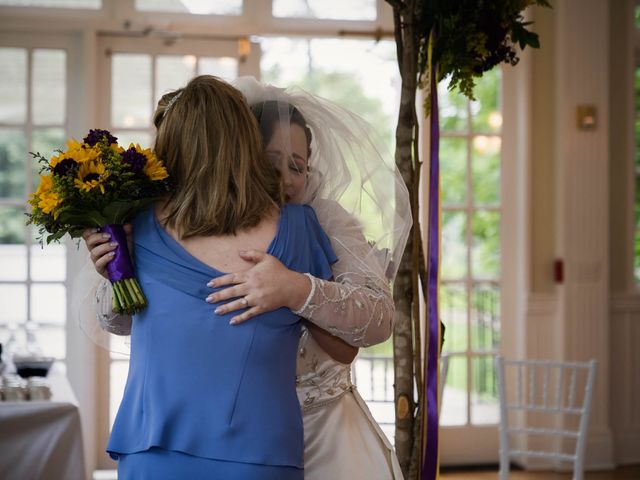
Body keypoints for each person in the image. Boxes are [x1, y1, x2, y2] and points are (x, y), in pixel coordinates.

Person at [81, 78, 411, 479]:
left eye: (298, 166)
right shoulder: (139, 226)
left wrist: (296, 288)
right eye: (271, 163)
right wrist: (115, 274)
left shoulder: (314, 223)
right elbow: (130, 321)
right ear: (244, 153)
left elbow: (355, 339)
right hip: (166, 439)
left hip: (290, 435)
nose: (285, 180)